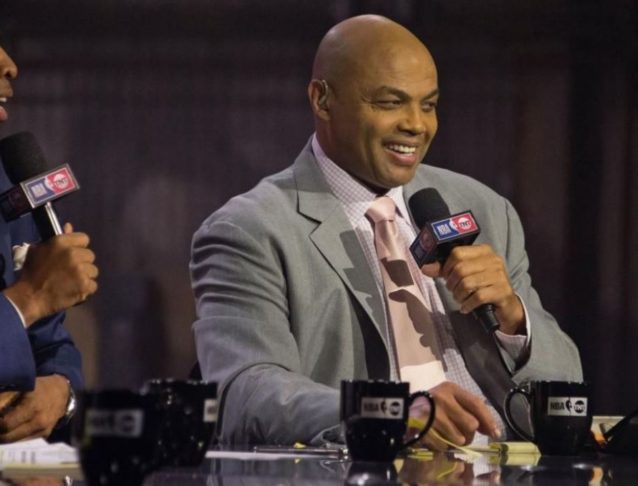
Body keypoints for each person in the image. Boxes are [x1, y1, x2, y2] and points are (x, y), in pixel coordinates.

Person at [191, 15, 582, 449]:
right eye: (390, 103)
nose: (416, 124)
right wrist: (392, 414)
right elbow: (244, 393)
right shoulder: (251, 230)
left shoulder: (485, 208)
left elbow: (567, 388)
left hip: (502, 465)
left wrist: (513, 316)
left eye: (428, 105)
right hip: (367, 465)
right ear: (322, 100)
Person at [0, 45, 98, 443]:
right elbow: (32, 302)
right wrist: (29, 298)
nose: (10, 66)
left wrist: (62, 392)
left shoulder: (8, 181)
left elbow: (50, 343)